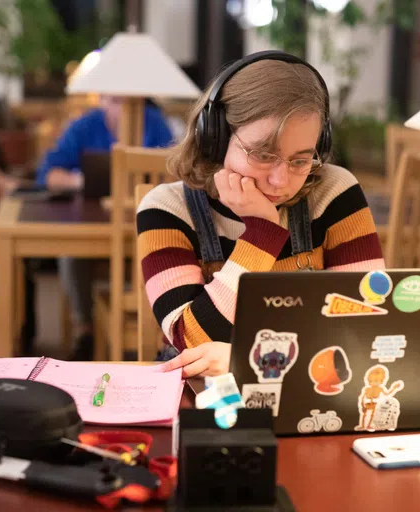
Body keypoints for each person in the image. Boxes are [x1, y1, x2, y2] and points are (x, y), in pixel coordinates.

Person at [137, 51, 385, 379]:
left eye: (300, 160)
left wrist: (244, 359)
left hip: (313, 385)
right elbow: (192, 340)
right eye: (263, 154)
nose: (281, 180)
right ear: (215, 138)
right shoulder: (166, 210)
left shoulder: (334, 193)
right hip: (208, 398)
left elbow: (367, 324)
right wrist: (262, 232)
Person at [0, 95, 174, 360]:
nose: (122, 107)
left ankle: (9, 185)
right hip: (98, 221)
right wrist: (82, 180)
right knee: (70, 254)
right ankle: (84, 328)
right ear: (102, 100)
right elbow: (49, 173)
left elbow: (178, 171)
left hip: (146, 228)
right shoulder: (84, 126)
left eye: (130, 100)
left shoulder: (156, 124)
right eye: (114, 100)